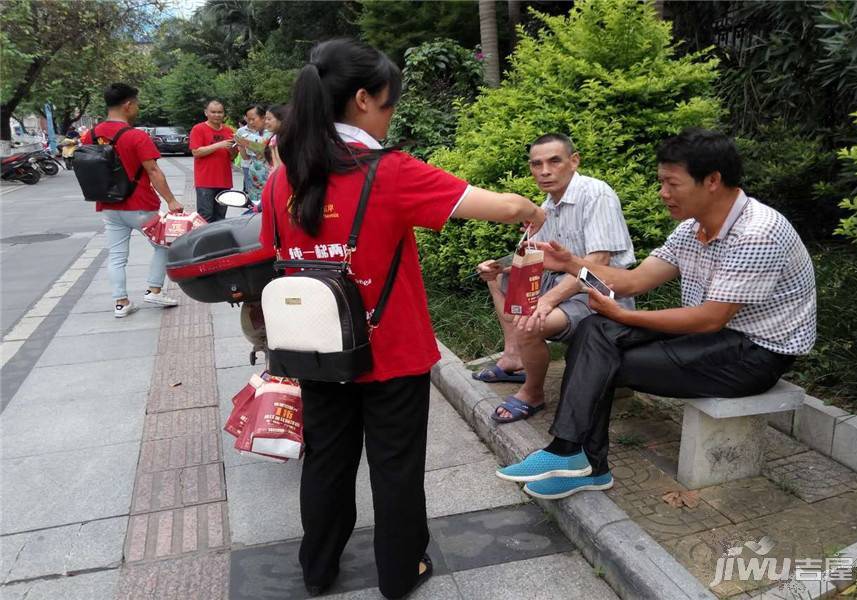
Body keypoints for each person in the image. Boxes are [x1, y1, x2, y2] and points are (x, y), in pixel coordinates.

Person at [260, 38, 544, 599]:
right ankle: (399, 574)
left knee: (326, 464)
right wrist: (535, 211)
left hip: (315, 349)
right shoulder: (389, 171)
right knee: (394, 468)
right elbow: (505, 207)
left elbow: (274, 257)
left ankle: (318, 572)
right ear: (363, 100)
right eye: (389, 106)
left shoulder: (281, 179)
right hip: (391, 352)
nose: (390, 119)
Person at [496, 128, 817, 500]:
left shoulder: (757, 233)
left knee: (602, 360)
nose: (662, 193)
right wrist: (571, 264)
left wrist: (627, 317)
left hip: (755, 353)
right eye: (661, 182)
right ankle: (574, 457)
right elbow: (633, 281)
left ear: (712, 180)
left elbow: (710, 318)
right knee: (595, 331)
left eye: (671, 183)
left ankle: (579, 459)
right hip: (709, 335)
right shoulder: (690, 230)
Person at [473, 133, 635, 424]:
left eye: (554, 161)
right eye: (537, 164)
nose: (544, 171)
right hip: (564, 281)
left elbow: (599, 264)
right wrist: (499, 268)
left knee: (532, 319)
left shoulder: (595, 194)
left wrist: (545, 302)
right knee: (502, 281)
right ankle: (514, 358)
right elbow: (536, 259)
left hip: (601, 287)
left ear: (574, 161)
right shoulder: (547, 206)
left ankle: (532, 393)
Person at [82, 83, 184, 317]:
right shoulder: (136, 136)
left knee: (117, 255)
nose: (136, 107)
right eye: (136, 103)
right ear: (128, 105)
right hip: (139, 204)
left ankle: (121, 302)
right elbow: (153, 171)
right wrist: (171, 200)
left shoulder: (91, 134)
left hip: (108, 205)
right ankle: (154, 290)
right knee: (163, 245)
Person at [189, 100, 236, 222]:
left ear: (224, 114)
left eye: (220, 112)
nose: (217, 115)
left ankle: (218, 241)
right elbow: (196, 152)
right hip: (205, 181)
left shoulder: (229, 131)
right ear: (206, 113)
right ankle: (204, 241)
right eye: (213, 112)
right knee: (205, 217)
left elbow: (232, 157)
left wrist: (234, 149)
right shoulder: (198, 129)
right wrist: (219, 145)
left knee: (220, 218)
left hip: (224, 181)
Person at [234, 104, 271, 206]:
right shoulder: (258, 133)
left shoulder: (270, 132)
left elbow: (262, 144)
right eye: (248, 120)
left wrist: (244, 139)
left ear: (263, 117)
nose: (250, 122)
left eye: (253, 119)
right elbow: (246, 157)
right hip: (256, 183)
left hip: (267, 182)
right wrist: (241, 145)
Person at [264, 104, 285, 171]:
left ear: (281, 119)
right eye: (266, 119)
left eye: (269, 119)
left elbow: (278, 166)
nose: (266, 122)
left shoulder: (276, 139)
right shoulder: (279, 137)